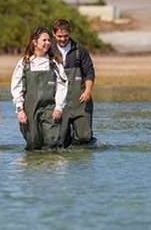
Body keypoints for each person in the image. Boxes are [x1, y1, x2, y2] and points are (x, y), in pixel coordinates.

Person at [11, 26, 68, 150]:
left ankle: (51, 168)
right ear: (35, 42)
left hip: (50, 108)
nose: (48, 43)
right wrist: (19, 109)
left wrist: (59, 107)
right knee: (33, 144)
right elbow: (16, 87)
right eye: (44, 40)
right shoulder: (24, 63)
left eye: (49, 40)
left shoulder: (55, 63)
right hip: (29, 110)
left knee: (51, 142)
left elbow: (62, 86)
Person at [52, 18, 96, 146]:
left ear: (70, 33)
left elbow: (89, 72)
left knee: (84, 137)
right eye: (59, 36)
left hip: (80, 101)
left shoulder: (80, 50)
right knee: (60, 140)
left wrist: (88, 91)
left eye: (66, 36)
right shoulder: (50, 51)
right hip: (60, 102)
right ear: (54, 34)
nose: (63, 39)